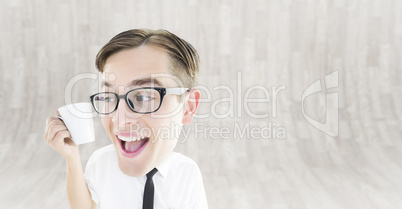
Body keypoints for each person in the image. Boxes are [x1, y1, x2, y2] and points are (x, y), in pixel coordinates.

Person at [45, 29, 208, 209]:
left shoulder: (187, 172)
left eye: (143, 97)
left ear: (188, 107)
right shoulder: (102, 161)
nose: (119, 120)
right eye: (108, 97)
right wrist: (71, 157)